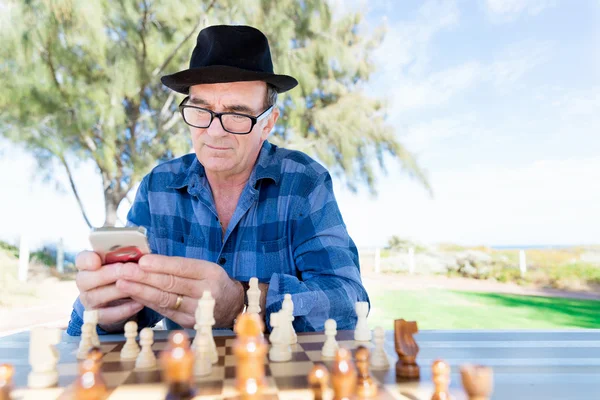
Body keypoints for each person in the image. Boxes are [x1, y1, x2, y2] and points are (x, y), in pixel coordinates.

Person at [67, 24, 369, 336]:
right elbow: (122, 309)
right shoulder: (158, 187)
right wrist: (109, 313)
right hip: (186, 375)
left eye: (237, 115)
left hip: (277, 378)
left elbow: (348, 299)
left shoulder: (305, 182)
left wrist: (242, 304)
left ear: (269, 123)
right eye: (201, 110)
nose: (214, 131)